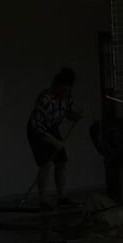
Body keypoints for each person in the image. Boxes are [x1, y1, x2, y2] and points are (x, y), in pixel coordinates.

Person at [26, 67, 82, 209]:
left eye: (67, 90)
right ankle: (43, 201)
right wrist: (53, 141)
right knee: (45, 164)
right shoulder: (45, 98)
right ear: (56, 86)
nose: (64, 94)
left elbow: (67, 112)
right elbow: (37, 125)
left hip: (52, 128)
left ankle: (61, 197)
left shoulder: (67, 98)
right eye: (62, 90)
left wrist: (76, 116)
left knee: (61, 162)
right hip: (37, 130)